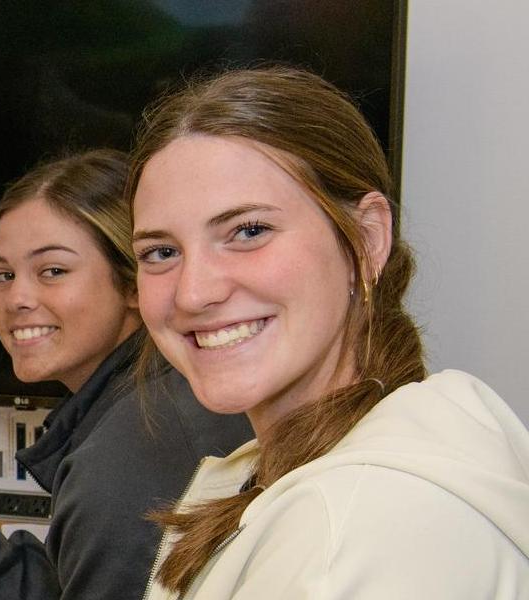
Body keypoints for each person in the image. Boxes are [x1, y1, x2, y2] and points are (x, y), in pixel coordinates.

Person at [128, 67, 529, 599]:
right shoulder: (317, 471)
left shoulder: (352, 529)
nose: (192, 293)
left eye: (249, 231)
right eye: (161, 252)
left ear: (365, 239)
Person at [0, 150, 251, 599]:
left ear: (134, 284)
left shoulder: (127, 457)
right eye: (3, 275)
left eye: (52, 270)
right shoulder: (157, 396)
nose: (17, 298)